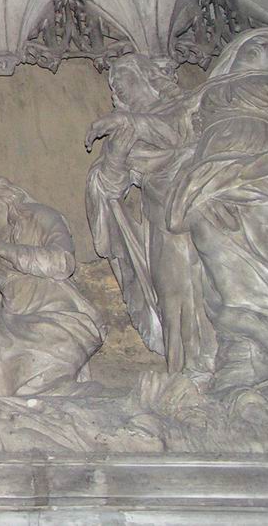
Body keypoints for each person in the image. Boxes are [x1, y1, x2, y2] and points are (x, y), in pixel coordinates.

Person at [85, 54, 215, 377]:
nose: (117, 88)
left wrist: (132, 123)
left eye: (123, 79)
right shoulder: (125, 130)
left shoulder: (191, 107)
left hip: (204, 209)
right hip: (162, 222)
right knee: (173, 297)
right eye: (114, 85)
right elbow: (107, 186)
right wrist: (115, 156)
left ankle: (222, 367)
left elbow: (186, 137)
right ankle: (185, 376)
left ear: (147, 77)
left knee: (211, 291)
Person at [167, 29, 268, 395]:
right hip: (210, 180)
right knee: (208, 237)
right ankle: (242, 342)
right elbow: (168, 124)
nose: (263, 46)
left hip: (262, 172)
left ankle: (255, 342)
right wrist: (129, 122)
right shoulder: (206, 93)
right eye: (253, 42)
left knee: (265, 240)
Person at [0, 163, 105, 396]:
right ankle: (16, 395)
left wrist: (3, 249)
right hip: (14, 322)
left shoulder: (38, 216)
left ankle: (40, 390)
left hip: (57, 318)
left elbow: (63, 262)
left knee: (16, 377)